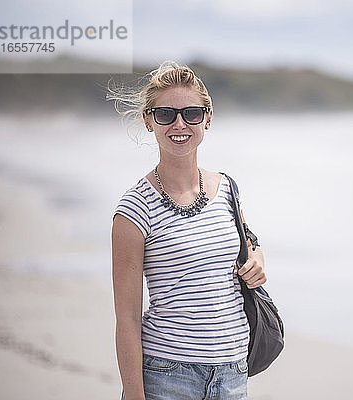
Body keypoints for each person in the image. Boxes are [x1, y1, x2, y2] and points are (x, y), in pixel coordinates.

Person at [108, 61, 266, 400]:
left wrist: (257, 257)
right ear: (148, 120)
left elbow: (247, 243)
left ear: (208, 118)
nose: (179, 124)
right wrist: (134, 395)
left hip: (233, 372)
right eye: (166, 114)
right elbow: (127, 320)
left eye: (191, 113)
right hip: (167, 375)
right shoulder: (133, 210)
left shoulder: (228, 190)